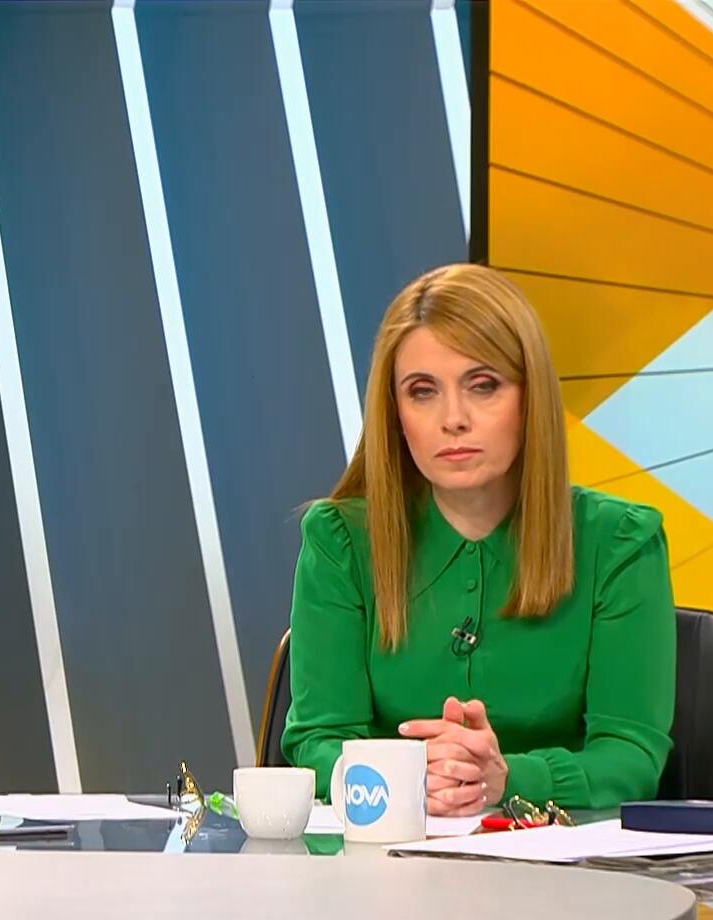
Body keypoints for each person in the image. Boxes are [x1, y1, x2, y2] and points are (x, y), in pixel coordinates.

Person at [282, 264, 675, 815]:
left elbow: (631, 756)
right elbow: (317, 742)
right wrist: (411, 777)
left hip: (562, 860)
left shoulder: (619, 543)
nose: (454, 419)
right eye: (423, 392)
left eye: (483, 385)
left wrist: (506, 778)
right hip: (386, 856)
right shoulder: (341, 542)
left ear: (531, 399)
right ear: (395, 414)